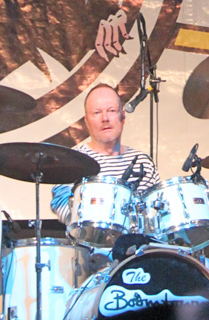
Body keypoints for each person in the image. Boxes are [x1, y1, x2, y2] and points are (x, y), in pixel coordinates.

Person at [51, 84, 161, 227]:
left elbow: (156, 214)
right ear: (86, 122)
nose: (105, 118)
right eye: (97, 112)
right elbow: (60, 204)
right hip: (88, 239)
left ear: (122, 117)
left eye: (111, 111)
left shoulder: (143, 162)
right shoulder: (71, 160)